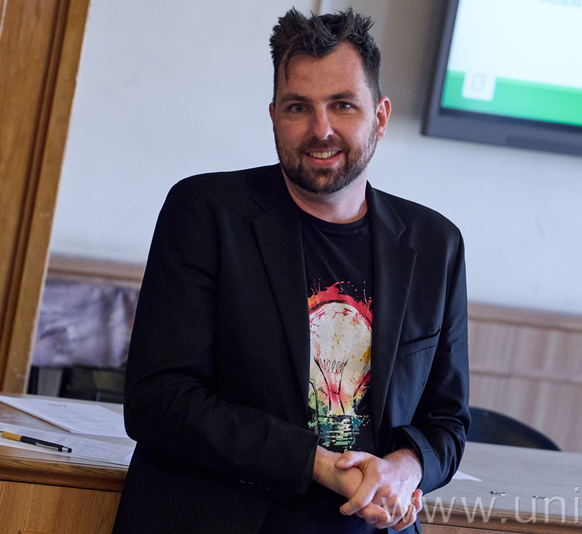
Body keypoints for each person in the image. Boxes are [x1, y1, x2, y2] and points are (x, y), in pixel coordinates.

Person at [112, 8, 469, 534]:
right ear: (274, 115)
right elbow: (158, 400)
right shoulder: (205, 213)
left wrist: (404, 468)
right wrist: (318, 464)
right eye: (299, 107)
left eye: (343, 105)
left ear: (380, 116)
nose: (320, 130)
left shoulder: (436, 244)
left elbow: (447, 421)